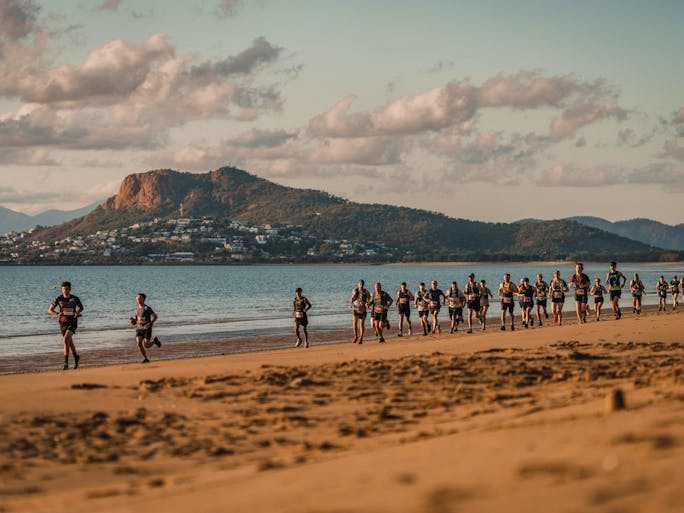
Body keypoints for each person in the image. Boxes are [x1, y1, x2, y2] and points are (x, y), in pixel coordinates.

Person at [48, 281, 84, 370]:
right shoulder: (58, 299)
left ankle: (66, 363)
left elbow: (81, 307)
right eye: (63, 289)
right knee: (69, 341)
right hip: (63, 322)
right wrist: (57, 313)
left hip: (73, 322)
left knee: (65, 339)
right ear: (61, 289)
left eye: (67, 289)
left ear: (70, 289)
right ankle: (76, 356)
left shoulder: (75, 299)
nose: (65, 291)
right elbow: (49, 310)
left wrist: (77, 313)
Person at [129, 292, 161, 363]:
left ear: (143, 299)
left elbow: (155, 316)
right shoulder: (136, 310)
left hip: (147, 329)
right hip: (139, 329)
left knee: (146, 345)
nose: (138, 299)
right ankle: (146, 358)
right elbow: (136, 320)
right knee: (139, 344)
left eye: (139, 298)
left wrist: (150, 323)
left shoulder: (147, 308)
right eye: (137, 298)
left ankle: (154, 341)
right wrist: (132, 321)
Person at [350, 280, 371, 344]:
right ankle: (355, 336)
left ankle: (361, 338)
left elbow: (370, 299)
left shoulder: (366, 292)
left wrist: (367, 304)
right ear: (358, 284)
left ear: (363, 285)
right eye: (360, 284)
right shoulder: (355, 290)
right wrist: (350, 303)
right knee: (354, 323)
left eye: (362, 284)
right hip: (355, 309)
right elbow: (352, 297)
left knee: (361, 324)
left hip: (363, 310)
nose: (361, 285)